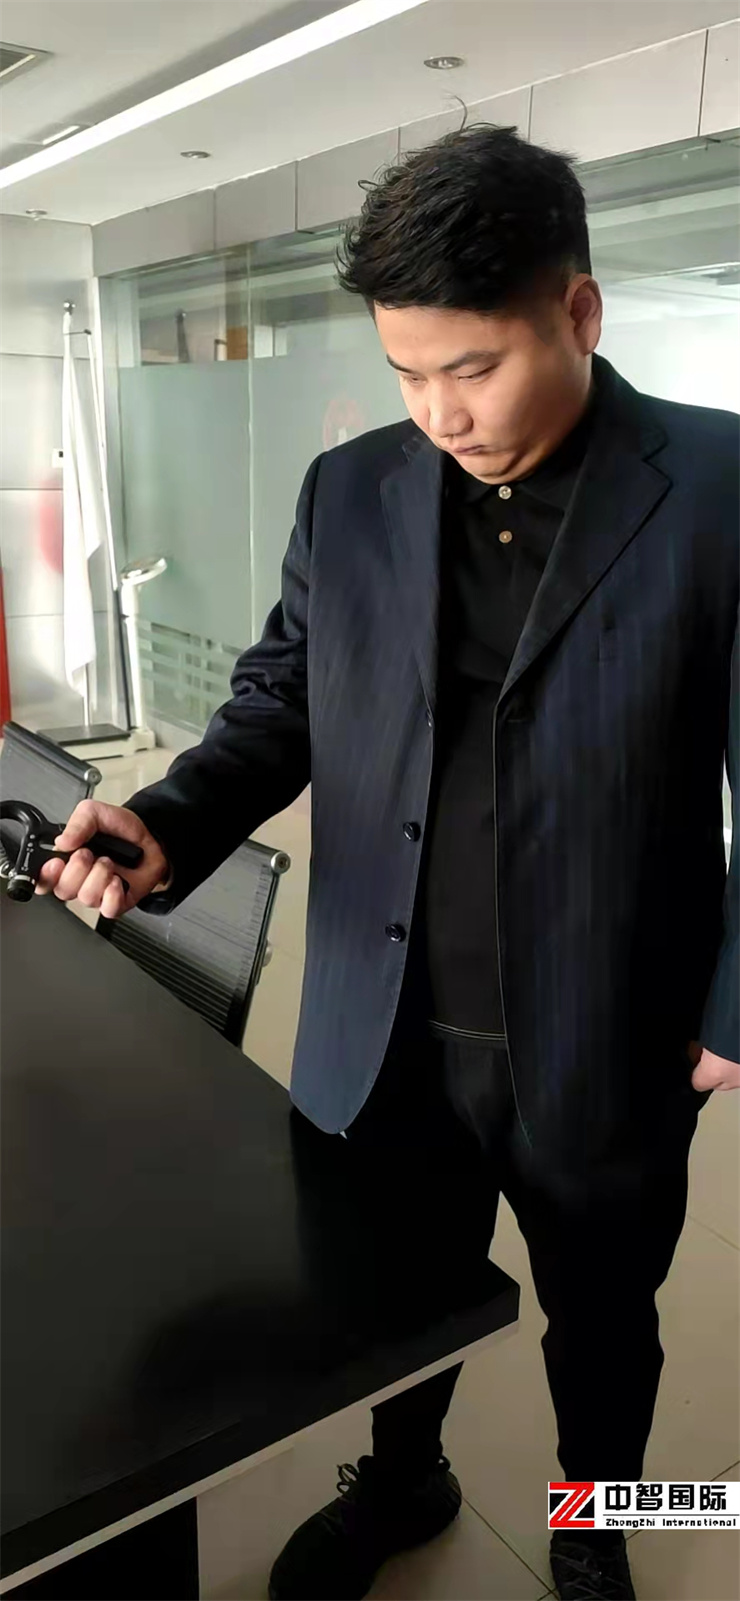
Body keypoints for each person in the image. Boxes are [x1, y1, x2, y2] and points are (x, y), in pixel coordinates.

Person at [37, 125, 739, 1601]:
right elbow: (280, 702)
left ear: (579, 311)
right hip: (383, 1017)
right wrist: (169, 821)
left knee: (603, 1320)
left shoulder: (719, 485)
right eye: (408, 373)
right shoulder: (348, 489)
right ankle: (406, 1478)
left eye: (472, 367)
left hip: (611, 1023)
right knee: (390, 1298)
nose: (439, 412)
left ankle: (593, 1525)